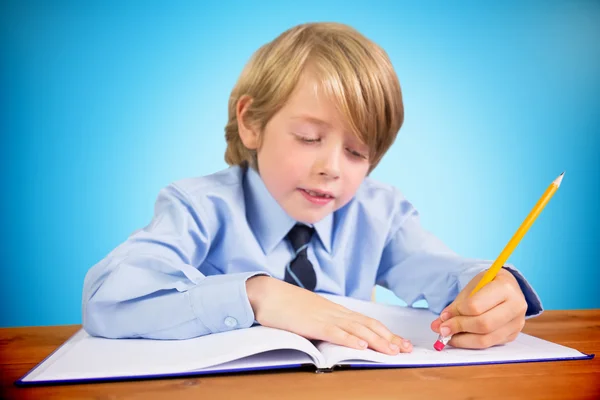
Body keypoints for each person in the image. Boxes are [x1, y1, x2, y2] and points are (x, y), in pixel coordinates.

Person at [82, 22, 541, 356]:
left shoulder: (380, 212)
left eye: (358, 153)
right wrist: (258, 294)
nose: (332, 169)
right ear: (250, 123)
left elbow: (442, 270)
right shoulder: (201, 207)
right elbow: (108, 295)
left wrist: (490, 288)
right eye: (308, 139)